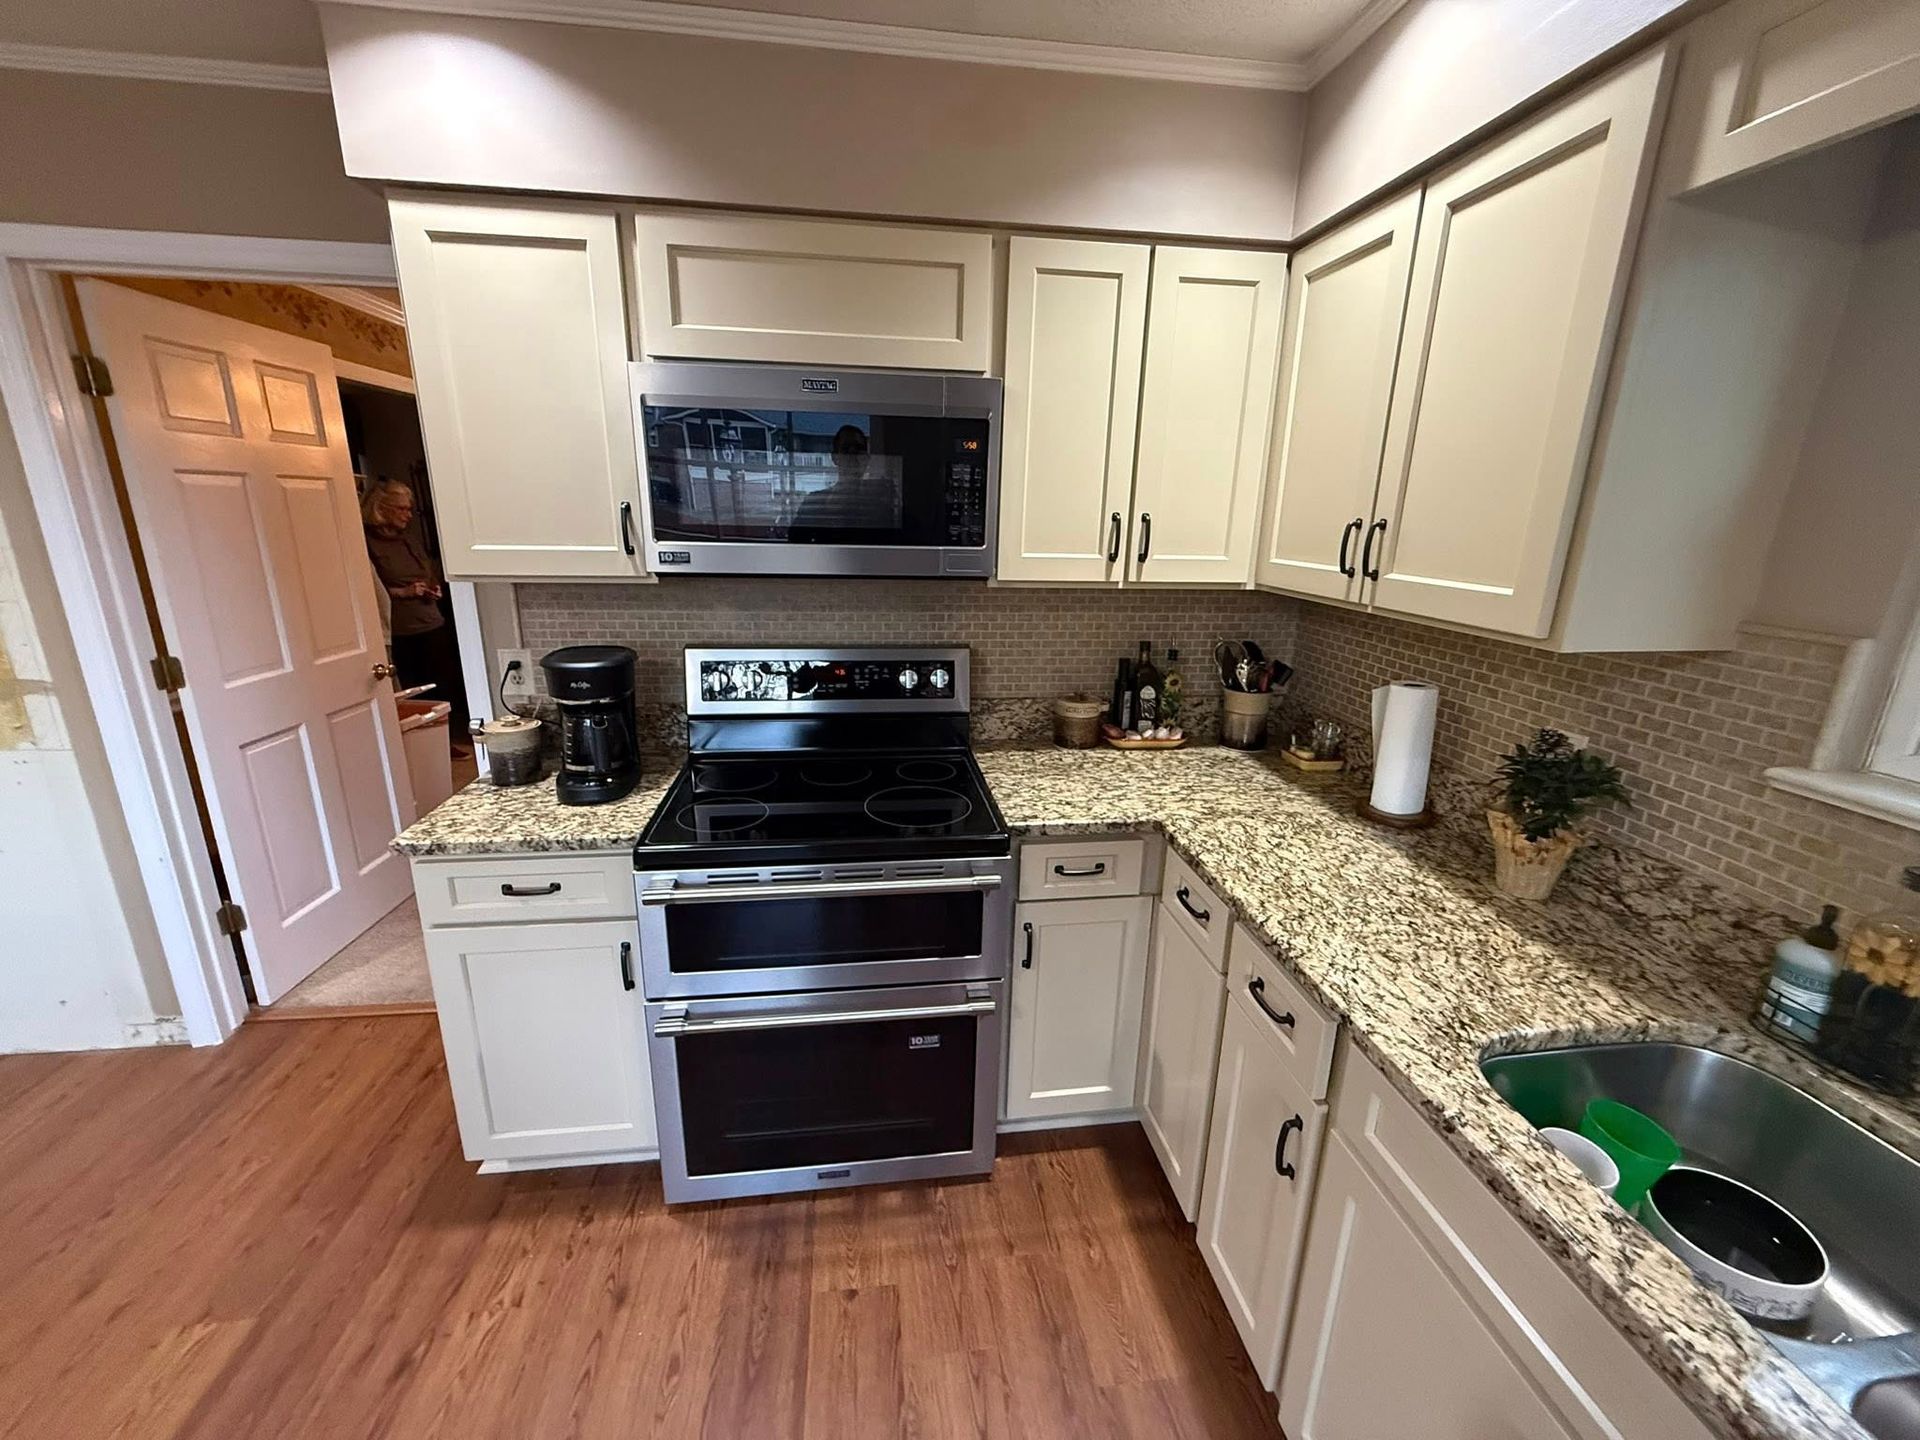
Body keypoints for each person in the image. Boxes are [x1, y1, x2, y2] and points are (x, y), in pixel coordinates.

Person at [361, 479, 470, 755]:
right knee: (411, 688)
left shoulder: (408, 538)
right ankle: (420, 745)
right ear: (381, 508)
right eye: (401, 509)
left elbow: (427, 567)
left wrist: (432, 586)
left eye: (409, 509)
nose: (408, 515)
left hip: (431, 620)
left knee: (442, 681)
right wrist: (404, 592)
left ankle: (443, 739)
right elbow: (370, 589)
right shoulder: (364, 542)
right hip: (399, 627)